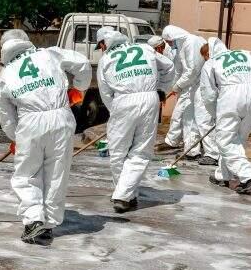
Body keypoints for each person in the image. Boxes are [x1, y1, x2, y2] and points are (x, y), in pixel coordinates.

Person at [0, 29, 91, 244]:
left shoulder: (6, 73)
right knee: (56, 174)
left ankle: (33, 221)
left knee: (27, 175)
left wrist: (15, 138)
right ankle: (48, 224)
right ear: (25, 41)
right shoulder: (49, 54)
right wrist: (78, 89)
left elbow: (7, 117)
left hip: (30, 124)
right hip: (61, 118)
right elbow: (82, 63)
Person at [96, 30, 174, 213]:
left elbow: (105, 92)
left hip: (123, 101)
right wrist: (162, 88)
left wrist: (114, 111)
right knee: (140, 151)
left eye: (100, 46)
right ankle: (126, 195)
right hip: (149, 99)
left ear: (104, 44)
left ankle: (122, 195)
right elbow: (169, 66)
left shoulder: (106, 60)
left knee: (118, 152)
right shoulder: (145, 48)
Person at [200, 41, 251, 194]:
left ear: (208, 53)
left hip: (229, 97)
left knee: (224, 140)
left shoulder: (211, 63)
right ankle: (223, 176)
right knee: (238, 138)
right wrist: (250, 88)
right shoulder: (246, 54)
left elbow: (208, 94)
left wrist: (216, 113)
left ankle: (248, 177)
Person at [158, 25, 205, 160]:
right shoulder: (181, 46)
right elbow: (179, 70)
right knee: (179, 113)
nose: (169, 45)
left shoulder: (192, 42)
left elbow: (193, 70)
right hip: (188, 85)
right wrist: (173, 87)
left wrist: (177, 86)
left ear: (174, 38)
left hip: (197, 86)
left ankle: (192, 151)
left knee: (189, 119)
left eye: (169, 42)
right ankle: (174, 141)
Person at [193, 37, 228, 166]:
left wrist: (212, 109)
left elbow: (208, 90)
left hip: (209, 101)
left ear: (208, 54)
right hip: (223, 100)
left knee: (205, 124)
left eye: (204, 57)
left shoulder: (210, 64)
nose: (205, 60)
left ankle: (212, 154)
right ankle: (219, 154)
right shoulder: (224, 61)